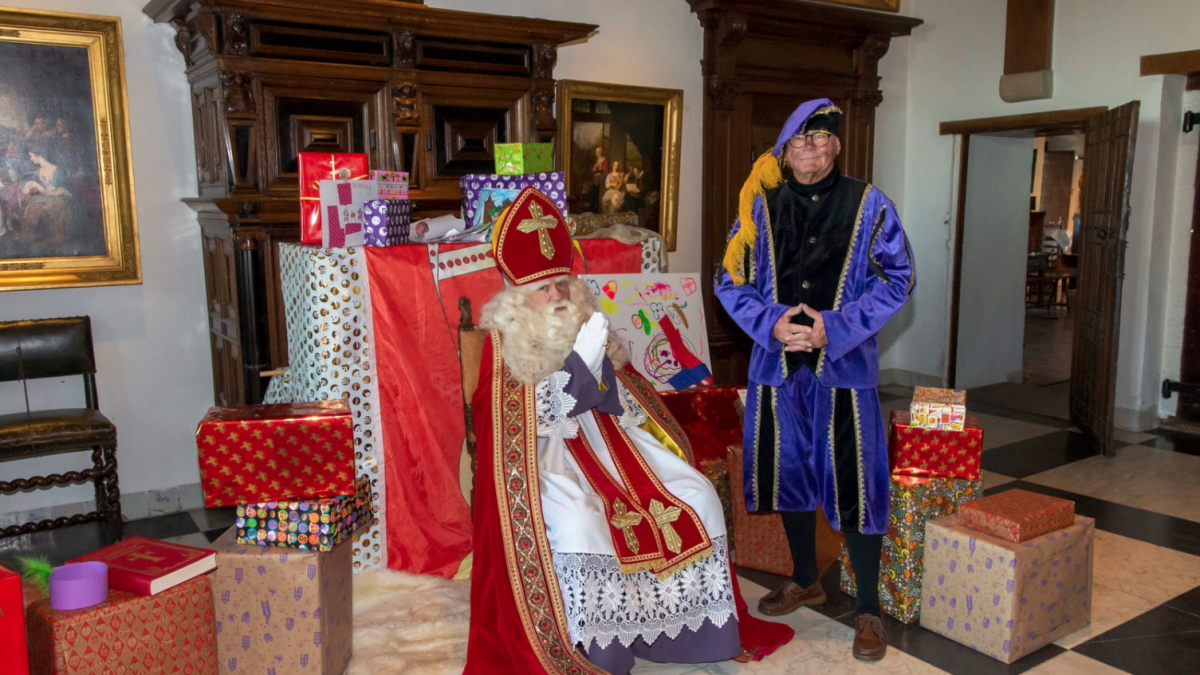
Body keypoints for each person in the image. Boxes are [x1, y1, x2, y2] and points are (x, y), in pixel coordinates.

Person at [465, 187, 793, 675]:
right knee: (581, 521)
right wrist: (579, 369)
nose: (556, 296)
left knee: (696, 492)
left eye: (561, 284)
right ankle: (600, 649)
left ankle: (693, 635)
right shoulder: (501, 340)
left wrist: (600, 370)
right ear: (518, 298)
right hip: (548, 456)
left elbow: (626, 396)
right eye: (543, 289)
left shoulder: (587, 320)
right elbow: (516, 422)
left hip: (610, 439)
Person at [714, 99, 916, 662]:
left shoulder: (870, 206)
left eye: (823, 142)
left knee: (857, 488)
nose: (812, 151)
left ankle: (870, 608)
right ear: (785, 149)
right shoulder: (759, 207)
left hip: (843, 373)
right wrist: (771, 322)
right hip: (777, 370)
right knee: (790, 478)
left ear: (837, 147)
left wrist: (835, 327)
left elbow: (900, 278)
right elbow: (727, 281)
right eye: (801, 142)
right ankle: (806, 577)